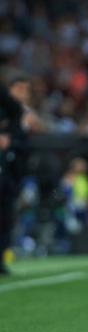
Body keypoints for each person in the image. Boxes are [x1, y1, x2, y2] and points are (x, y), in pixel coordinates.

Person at [0, 79, 27, 276]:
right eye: (19, 89)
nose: (24, 93)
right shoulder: (12, 112)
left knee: (6, 220)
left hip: (9, 176)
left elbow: (21, 143)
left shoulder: (17, 114)